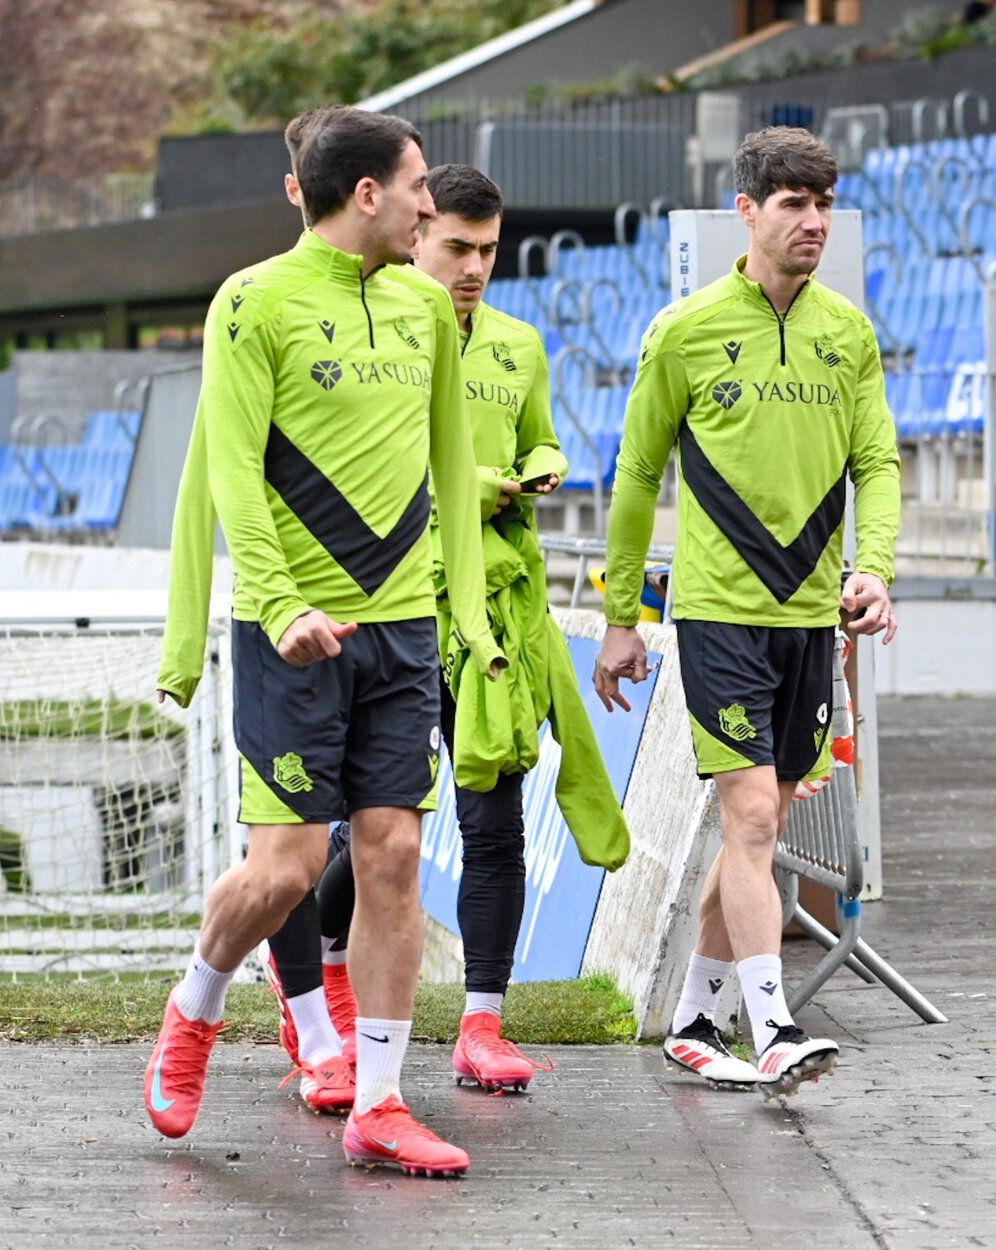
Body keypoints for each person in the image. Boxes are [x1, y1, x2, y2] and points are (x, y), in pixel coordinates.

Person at [148, 103, 504, 1178]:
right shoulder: (252, 301)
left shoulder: (425, 308)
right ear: (368, 193)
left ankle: (381, 1102)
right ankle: (197, 1002)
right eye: (419, 188)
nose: (429, 208)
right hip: (291, 631)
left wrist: (468, 619)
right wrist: (279, 604)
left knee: (393, 852)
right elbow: (231, 471)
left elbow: (451, 469)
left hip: (400, 629)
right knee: (288, 871)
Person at [285, 163, 631, 1097]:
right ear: (418, 235)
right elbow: (378, 470)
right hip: (398, 604)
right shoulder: (381, 334)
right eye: (457, 248)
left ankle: (483, 1022)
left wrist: (544, 461)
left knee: (494, 815)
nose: (474, 267)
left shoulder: (519, 344)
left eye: (489, 251)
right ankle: (319, 981)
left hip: (498, 614)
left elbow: (537, 434)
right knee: (377, 824)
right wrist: (477, 487)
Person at [594, 126, 901, 1097]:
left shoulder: (848, 334)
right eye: (792, 203)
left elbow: (877, 463)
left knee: (751, 835)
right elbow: (636, 475)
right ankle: (772, 1028)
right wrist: (621, 615)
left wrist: (874, 568)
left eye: (824, 204)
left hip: (809, 622)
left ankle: (694, 1020)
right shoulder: (683, 330)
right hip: (719, 617)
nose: (813, 221)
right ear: (747, 211)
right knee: (757, 816)